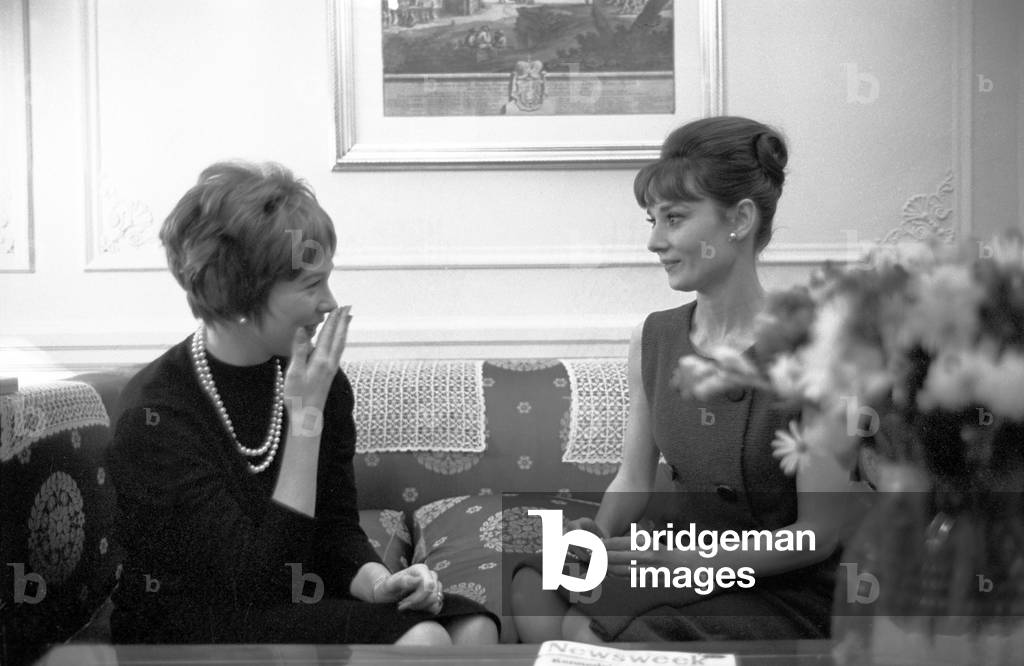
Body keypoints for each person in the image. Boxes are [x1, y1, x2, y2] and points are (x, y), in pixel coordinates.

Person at [108, 161, 498, 646]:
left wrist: (380, 583)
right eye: (311, 285)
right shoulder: (155, 417)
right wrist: (305, 421)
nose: (330, 303)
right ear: (241, 294)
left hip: (290, 597)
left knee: (474, 627)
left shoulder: (320, 381)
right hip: (197, 624)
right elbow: (256, 583)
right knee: (426, 641)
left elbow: (335, 529)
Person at [510, 117, 851, 643]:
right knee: (534, 584)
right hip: (673, 557)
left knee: (601, 633)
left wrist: (696, 559)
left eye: (673, 218)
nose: (653, 241)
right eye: (652, 219)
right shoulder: (654, 338)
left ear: (738, 219)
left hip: (780, 585)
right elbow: (634, 480)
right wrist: (597, 536)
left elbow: (819, 534)